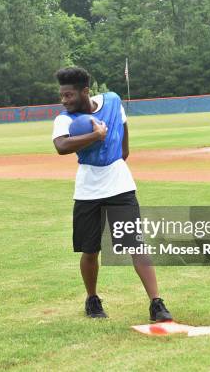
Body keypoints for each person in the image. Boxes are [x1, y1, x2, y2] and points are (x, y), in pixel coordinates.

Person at [52, 66, 173, 321]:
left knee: (135, 245)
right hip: (87, 190)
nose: (64, 100)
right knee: (90, 250)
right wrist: (95, 136)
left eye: (69, 95)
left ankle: (156, 303)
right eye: (62, 95)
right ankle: (92, 299)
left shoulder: (114, 100)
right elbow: (61, 146)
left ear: (85, 91)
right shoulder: (64, 119)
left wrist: (120, 156)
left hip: (120, 186)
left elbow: (124, 132)